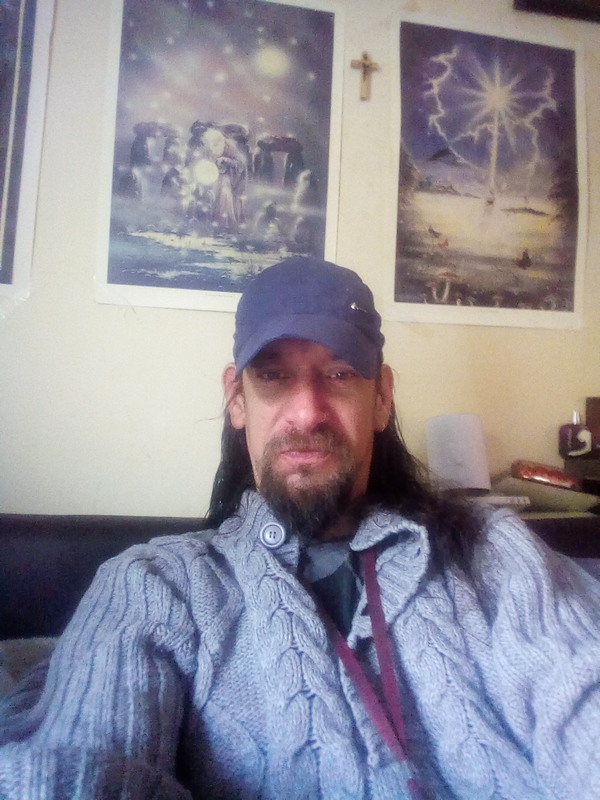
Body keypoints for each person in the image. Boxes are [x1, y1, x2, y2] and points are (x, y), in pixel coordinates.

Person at [1, 256, 599, 800]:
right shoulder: (153, 585)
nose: (308, 411)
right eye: (273, 376)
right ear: (237, 399)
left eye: (339, 374)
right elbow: (77, 765)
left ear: (382, 398)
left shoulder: (494, 553)